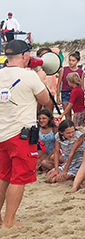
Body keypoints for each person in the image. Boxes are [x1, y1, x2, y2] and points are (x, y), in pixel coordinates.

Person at [0, 40, 52, 228]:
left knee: (3, 176)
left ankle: (2, 218)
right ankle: (9, 221)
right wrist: (42, 80)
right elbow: (46, 100)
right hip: (21, 134)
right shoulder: (29, 76)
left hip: (2, 134)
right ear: (24, 55)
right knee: (18, 178)